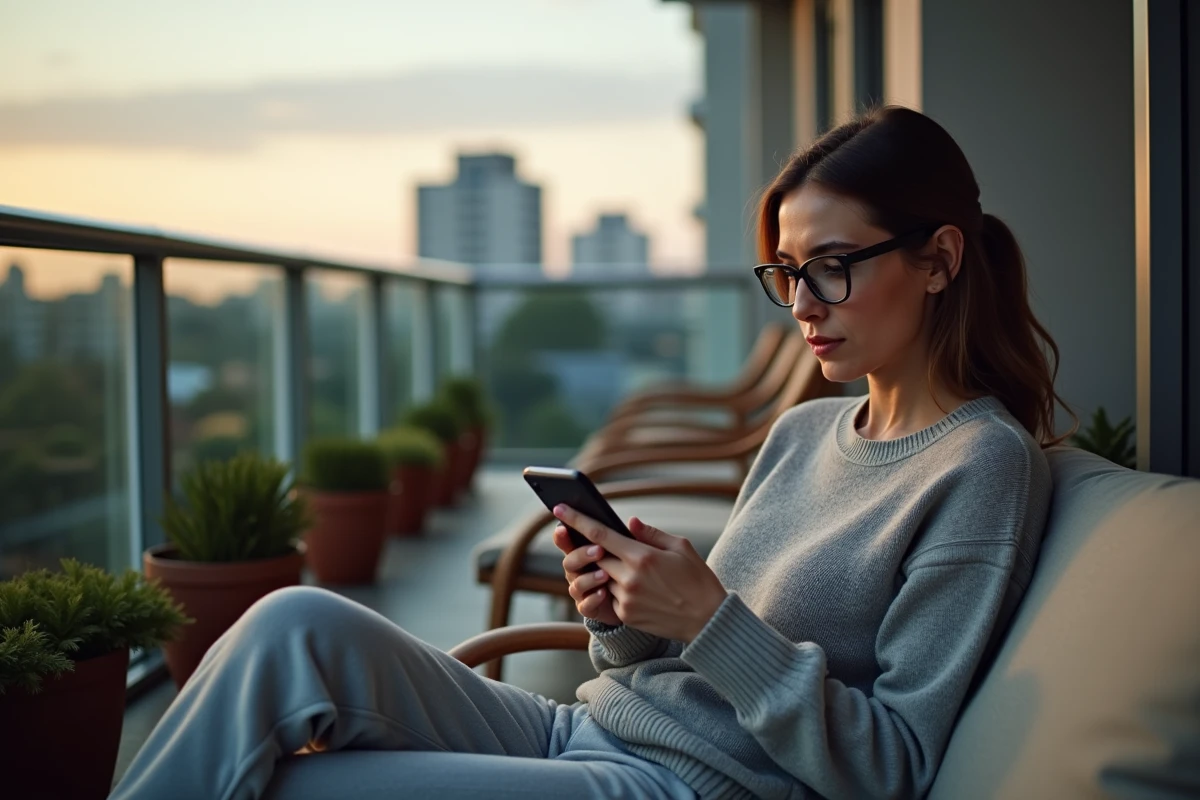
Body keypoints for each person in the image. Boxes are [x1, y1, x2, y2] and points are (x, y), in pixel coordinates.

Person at [110, 106, 1070, 800]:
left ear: (940, 260)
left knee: (290, 785)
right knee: (294, 623)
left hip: (691, 787)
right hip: (589, 726)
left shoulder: (980, 466)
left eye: (831, 267)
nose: (802, 305)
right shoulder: (804, 431)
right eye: (786, 273)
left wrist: (708, 618)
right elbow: (691, 660)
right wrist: (622, 618)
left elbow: (896, 765)